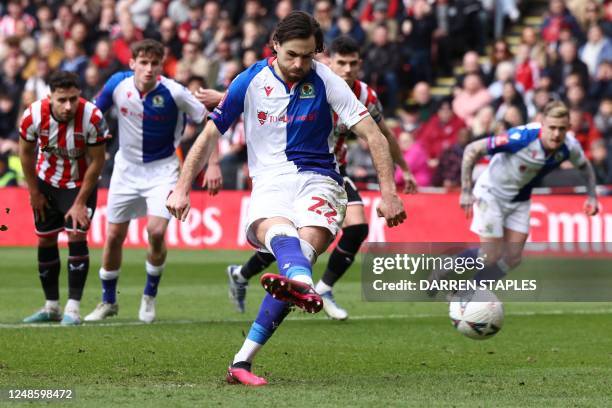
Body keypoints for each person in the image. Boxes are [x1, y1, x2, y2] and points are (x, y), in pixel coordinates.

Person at [166, 11, 406, 385]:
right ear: (275, 45)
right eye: (292, 54)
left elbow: (374, 135)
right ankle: (246, 357)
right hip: (270, 182)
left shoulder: (327, 80)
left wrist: (388, 194)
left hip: (320, 178)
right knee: (284, 242)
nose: (299, 64)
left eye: (307, 56)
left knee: (302, 251)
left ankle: (263, 332)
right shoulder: (249, 81)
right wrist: (183, 185)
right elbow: (210, 134)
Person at [218, 35, 416, 320]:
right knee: (291, 236)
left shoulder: (365, 96)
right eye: (341, 63)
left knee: (357, 227)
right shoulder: (313, 85)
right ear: (328, 62)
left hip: (333, 171)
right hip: (294, 170)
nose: (347, 70)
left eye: (353, 64)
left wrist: (404, 170)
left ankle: (321, 287)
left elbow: (382, 135)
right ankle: (243, 274)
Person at [83, 39, 210, 324]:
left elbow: (209, 119)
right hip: (126, 169)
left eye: (155, 64)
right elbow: (92, 113)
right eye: (143, 63)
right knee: (114, 236)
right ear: (132, 64)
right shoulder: (118, 84)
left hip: (163, 170)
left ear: (161, 66)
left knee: (155, 232)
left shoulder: (175, 92)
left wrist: (211, 163)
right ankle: (108, 301)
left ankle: (149, 296)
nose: (149, 69)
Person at [429, 101, 598, 296]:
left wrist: (592, 197)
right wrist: (466, 190)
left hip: (520, 199)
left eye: (562, 129)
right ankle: (447, 265)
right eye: (552, 128)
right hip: (491, 193)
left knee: (513, 257)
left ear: (569, 128)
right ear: (542, 124)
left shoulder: (569, 146)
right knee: (490, 255)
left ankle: (468, 290)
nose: (556, 134)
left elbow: (585, 167)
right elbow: (472, 149)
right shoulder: (521, 138)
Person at [19, 71, 110, 325]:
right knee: (46, 240)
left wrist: (80, 201)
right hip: (46, 182)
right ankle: (51, 307)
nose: (68, 106)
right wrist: (34, 191)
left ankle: (72, 308)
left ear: (79, 95)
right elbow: (25, 154)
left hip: (80, 184)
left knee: (76, 235)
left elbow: (98, 160)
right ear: (50, 97)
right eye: (62, 100)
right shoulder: (33, 115)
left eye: (73, 99)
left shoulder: (92, 116)